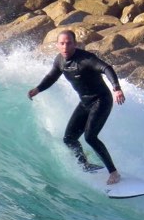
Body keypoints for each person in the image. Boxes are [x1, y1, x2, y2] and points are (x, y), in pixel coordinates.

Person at [28, 29, 125, 185]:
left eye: (69, 43)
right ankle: (85, 165)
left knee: (90, 137)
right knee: (69, 139)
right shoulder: (59, 60)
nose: (65, 47)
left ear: (75, 44)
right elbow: (52, 76)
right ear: (57, 45)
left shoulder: (86, 59)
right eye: (62, 43)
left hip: (102, 100)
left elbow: (106, 68)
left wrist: (116, 88)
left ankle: (114, 173)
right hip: (86, 102)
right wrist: (38, 89)